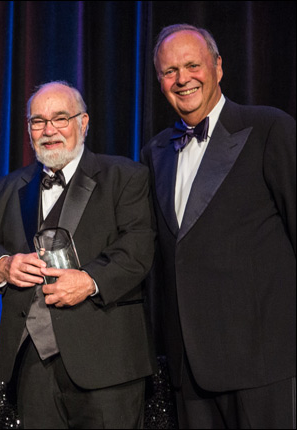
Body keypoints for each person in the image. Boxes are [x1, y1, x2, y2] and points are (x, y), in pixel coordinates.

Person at [143, 24, 296, 428]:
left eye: (192, 65)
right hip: (190, 371)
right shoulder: (155, 152)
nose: (182, 79)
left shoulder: (268, 128)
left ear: (218, 67)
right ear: (160, 82)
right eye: (170, 71)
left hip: (264, 364)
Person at [0, 81, 155, 428]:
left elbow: (137, 250)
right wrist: (2, 265)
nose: (49, 130)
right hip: (32, 365)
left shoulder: (125, 176)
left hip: (107, 362)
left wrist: (90, 281)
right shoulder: (7, 187)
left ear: (83, 122)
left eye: (60, 118)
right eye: (38, 121)